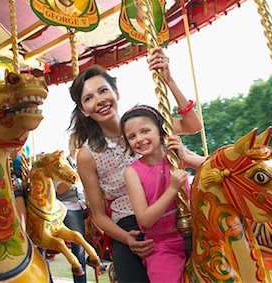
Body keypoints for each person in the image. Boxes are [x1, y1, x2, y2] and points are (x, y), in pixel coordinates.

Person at [68, 47, 202, 283]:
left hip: (175, 209)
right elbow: (98, 215)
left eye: (103, 91)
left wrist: (169, 80)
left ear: (116, 93)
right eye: (88, 98)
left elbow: (193, 125)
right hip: (134, 227)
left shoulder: (143, 125)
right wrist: (126, 238)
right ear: (83, 110)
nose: (99, 100)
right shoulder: (87, 155)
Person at [120, 105, 205, 282]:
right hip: (162, 245)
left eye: (145, 131)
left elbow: (215, 168)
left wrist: (186, 157)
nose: (140, 139)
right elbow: (145, 219)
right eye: (132, 136)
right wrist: (172, 189)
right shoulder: (132, 172)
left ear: (160, 131)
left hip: (198, 233)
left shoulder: (174, 156)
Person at [56, 134, 89, 283]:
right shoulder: (63, 164)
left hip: (85, 204)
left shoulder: (88, 162)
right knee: (78, 245)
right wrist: (76, 176)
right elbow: (59, 190)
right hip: (69, 206)